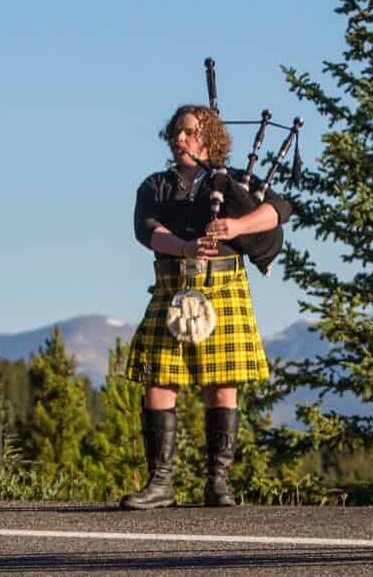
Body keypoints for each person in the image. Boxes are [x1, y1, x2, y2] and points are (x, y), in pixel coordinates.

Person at [121, 103, 290, 510]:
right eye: (177, 132)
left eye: (190, 132)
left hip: (223, 285)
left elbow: (279, 211)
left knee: (222, 385)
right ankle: (160, 484)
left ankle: (218, 484)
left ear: (209, 139)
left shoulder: (230, 182)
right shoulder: (155, 186)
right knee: (159, 381)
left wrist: (236, 226)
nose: (181, 138)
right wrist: (183, 246)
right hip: (173, 284)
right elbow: (146, 230)